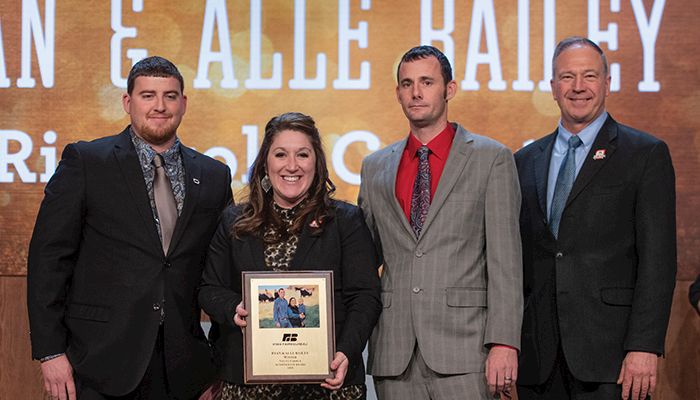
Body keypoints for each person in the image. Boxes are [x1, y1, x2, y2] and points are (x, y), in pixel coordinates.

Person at [26, 56, 232, 400]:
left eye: (169, 96)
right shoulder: (87, 161)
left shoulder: (214, 175)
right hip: (97, 362)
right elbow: (49, 259)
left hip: (184, 368)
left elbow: (222, 271)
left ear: (183, 103)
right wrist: (51, 352)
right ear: (128, 102)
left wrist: (219, 363)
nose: (160, 106)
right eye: (148, 95)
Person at [515, 36, 676, 400]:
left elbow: (658, 262)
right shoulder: (524, 161)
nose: (578, 87)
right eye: (567, 77)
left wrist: (644, 346)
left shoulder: (644, 154)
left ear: (607, 82)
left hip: (613, 358)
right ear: (553, 87)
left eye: (589, 76)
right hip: (538, 358)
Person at [358, 45, 523, 399]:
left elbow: (506, 262)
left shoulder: (491, 159)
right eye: (407, 83)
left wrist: (504, 343)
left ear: (449, 89)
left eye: (427, 82)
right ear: (398, 93)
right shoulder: (375, 167)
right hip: (395, 352)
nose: (416, 92)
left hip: (467, 352)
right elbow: (363, 259)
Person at [198, 112, 382, 399]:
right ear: (265, 163)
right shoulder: (234, 221)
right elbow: (210, 288)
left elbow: (365, 295)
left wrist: (345, 351)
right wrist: (236, 308)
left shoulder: (346, 221)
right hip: (247, 386)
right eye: (281, 154)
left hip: (328, 383)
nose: (292, 166)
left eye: (303, 155)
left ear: (317, 163)